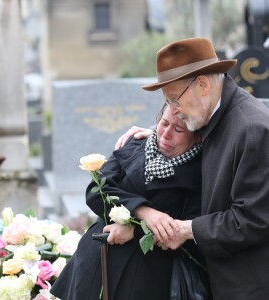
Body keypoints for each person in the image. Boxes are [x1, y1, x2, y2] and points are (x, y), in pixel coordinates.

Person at [116, 37, 269, 300]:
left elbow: (253, 220)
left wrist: (186, 230)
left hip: (248, 287)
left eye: (174, 99)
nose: (173, 111)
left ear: (202, 84)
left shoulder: (252, 129)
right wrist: (154, 135)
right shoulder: (216, 113)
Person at [50, 103, 210, 300]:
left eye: (178, 129)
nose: (166, 134)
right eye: (164, 123)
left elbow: (183, 231)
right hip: (96, 264)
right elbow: (97, 191)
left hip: (146, 279)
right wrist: (142, 211)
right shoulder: (136, 144)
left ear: (197, 137)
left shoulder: (201, 173)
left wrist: (135, 230)